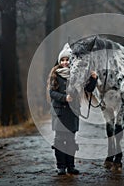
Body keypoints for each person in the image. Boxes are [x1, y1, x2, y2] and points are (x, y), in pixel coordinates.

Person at [47, 43, 98, 175]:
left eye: (67, 60)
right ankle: (61, 167)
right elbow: (51, 93)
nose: (65, 62)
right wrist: (65, 98)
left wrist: (93, 79)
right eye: (62, 60)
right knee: (59, 140)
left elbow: (89, 90)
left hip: (73, 112)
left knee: (70, 140)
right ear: (59, 61)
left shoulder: (79, 75)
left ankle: (71, 166)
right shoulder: (55, 74)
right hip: (59, 112)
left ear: (72, 61)